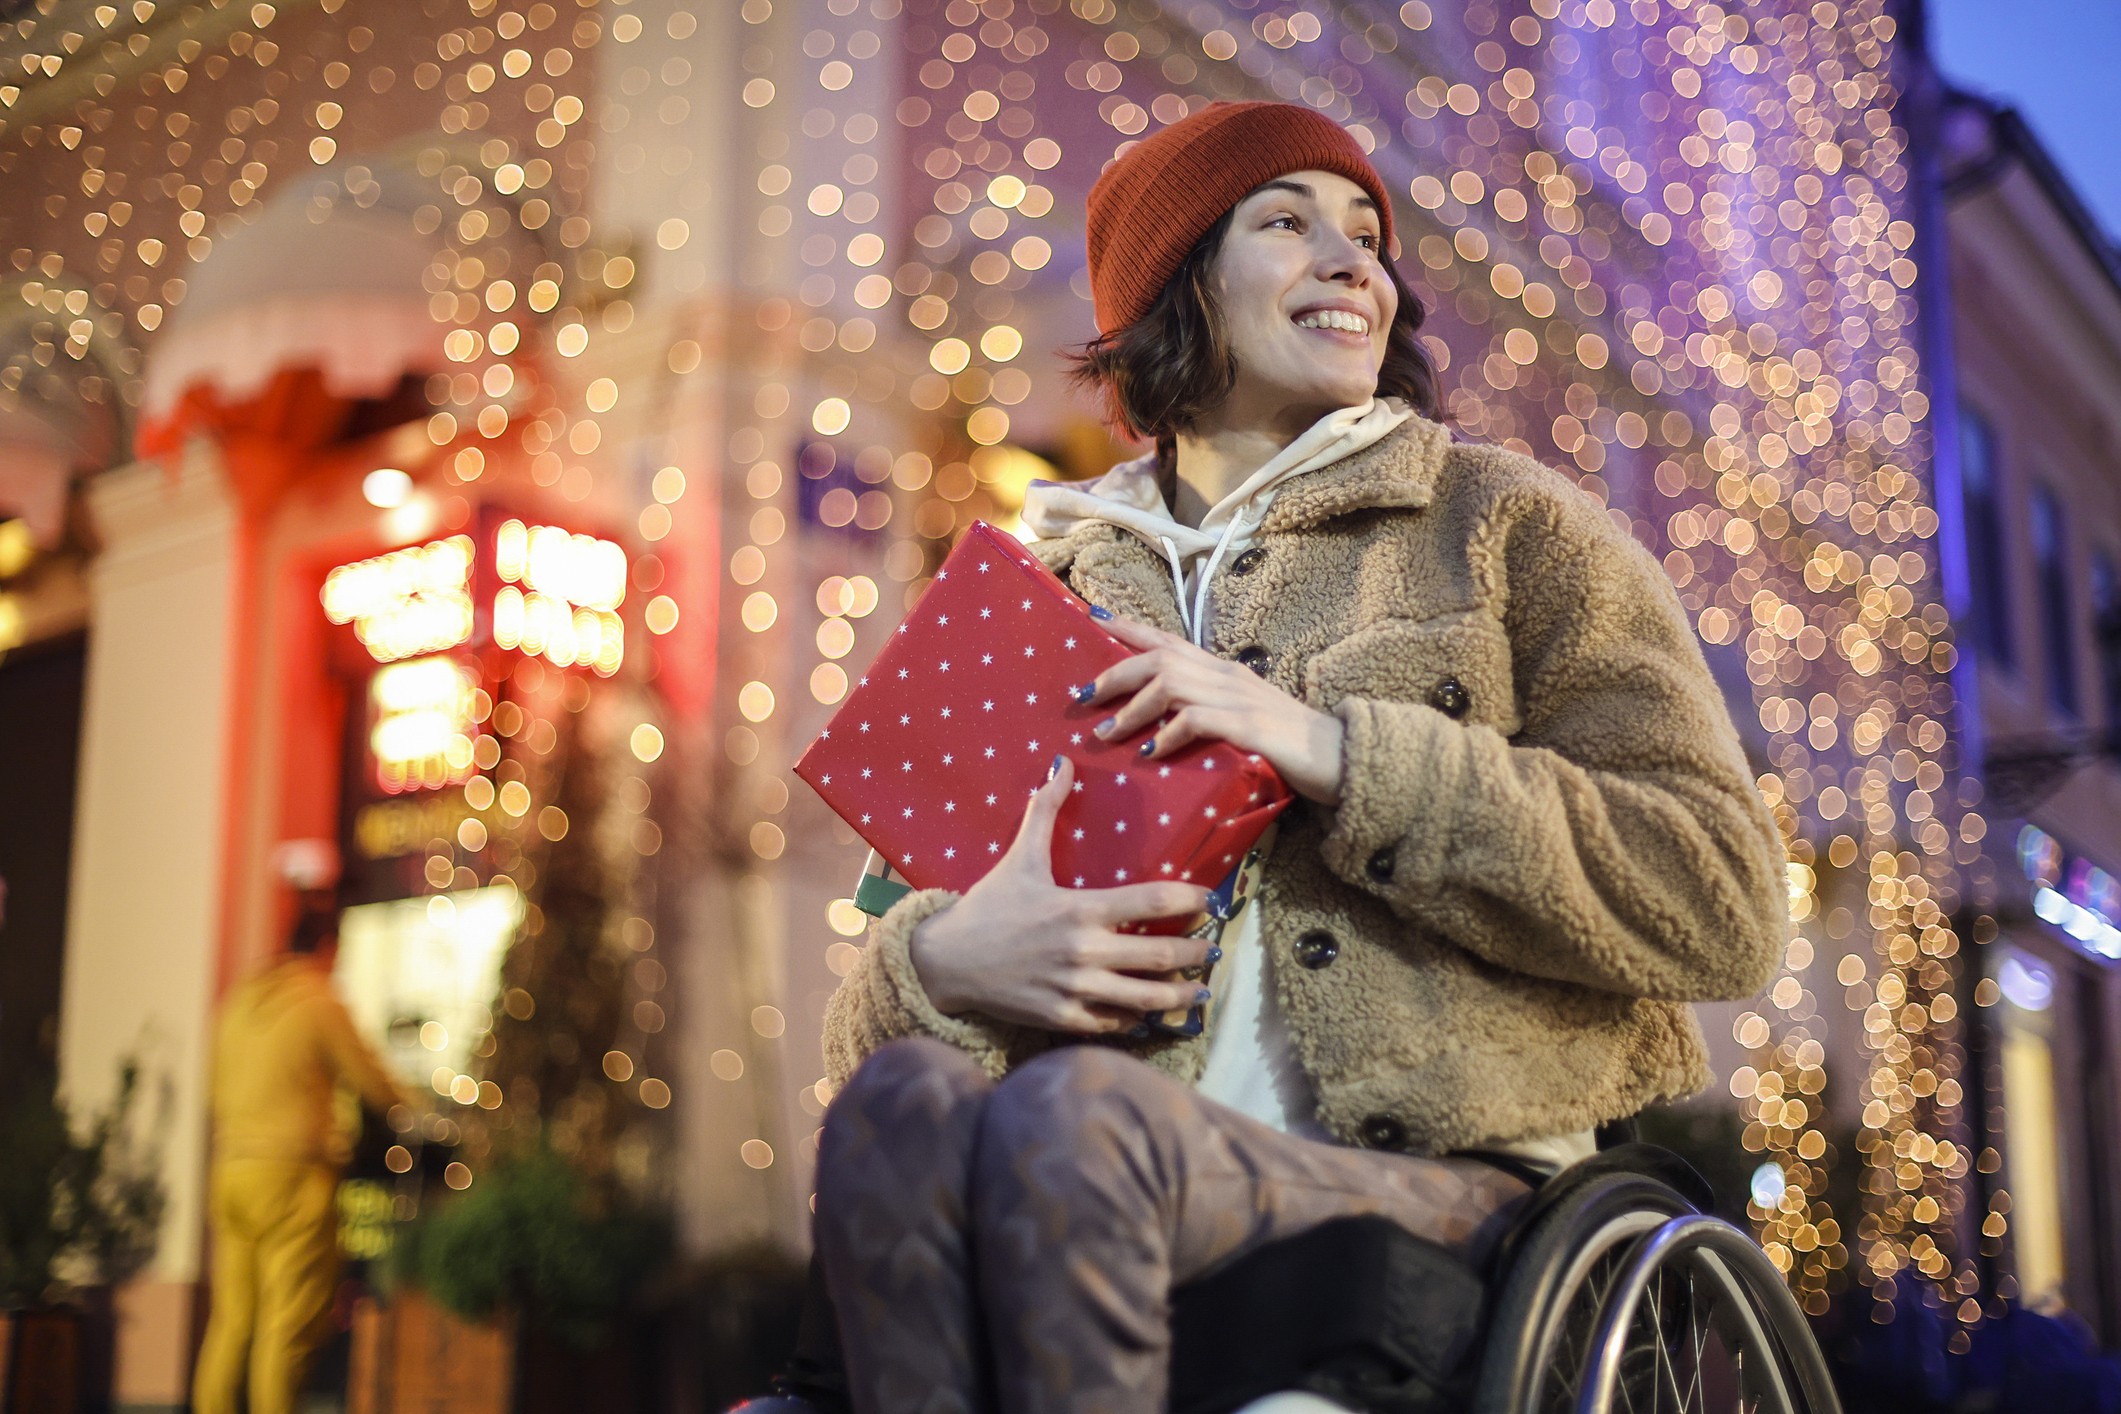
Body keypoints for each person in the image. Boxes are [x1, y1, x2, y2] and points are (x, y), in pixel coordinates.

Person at [811, 101, 1786, 1414]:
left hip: (1434, 1201)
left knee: (1073, 1125)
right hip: (1073, 1219)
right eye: (1287, 222)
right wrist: (942, 961)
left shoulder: (1504, 528)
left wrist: (1339, 750)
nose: (1357, 263)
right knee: (895, 1111)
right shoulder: (1032, 595)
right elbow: (866, 1037)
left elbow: (1721, 898)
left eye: (1369, 236)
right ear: (1174, 290)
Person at [193, 905, 409, 1414]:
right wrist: (424, 1107)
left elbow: (211, 1092)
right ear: (328, 946)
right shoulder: (317, 999)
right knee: (286, 1327)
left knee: (231, 1323)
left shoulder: (239, 1003)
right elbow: (374, 1082)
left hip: (231, 1172)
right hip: (292, 1177)